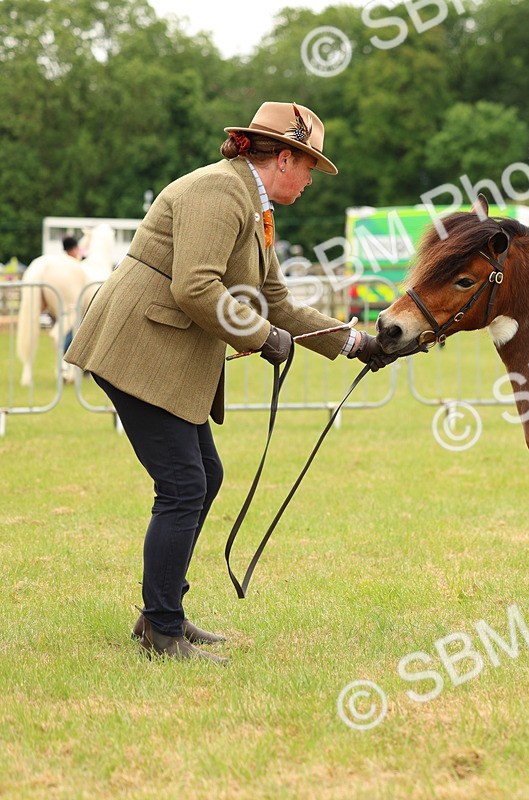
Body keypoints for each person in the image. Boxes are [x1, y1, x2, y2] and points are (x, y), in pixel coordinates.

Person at [65, 102, 398, 664]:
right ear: (284, 157)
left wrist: (354, 343)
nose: (311, 180)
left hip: (158, 349)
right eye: (310, 168)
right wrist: (262, 335)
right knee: (184, 485)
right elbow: (196, 287)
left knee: (202, 476)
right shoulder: (219, 192)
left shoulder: (254, 205)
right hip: (135, 348)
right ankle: (162, 630)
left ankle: (160, 613)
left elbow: (277, 302)